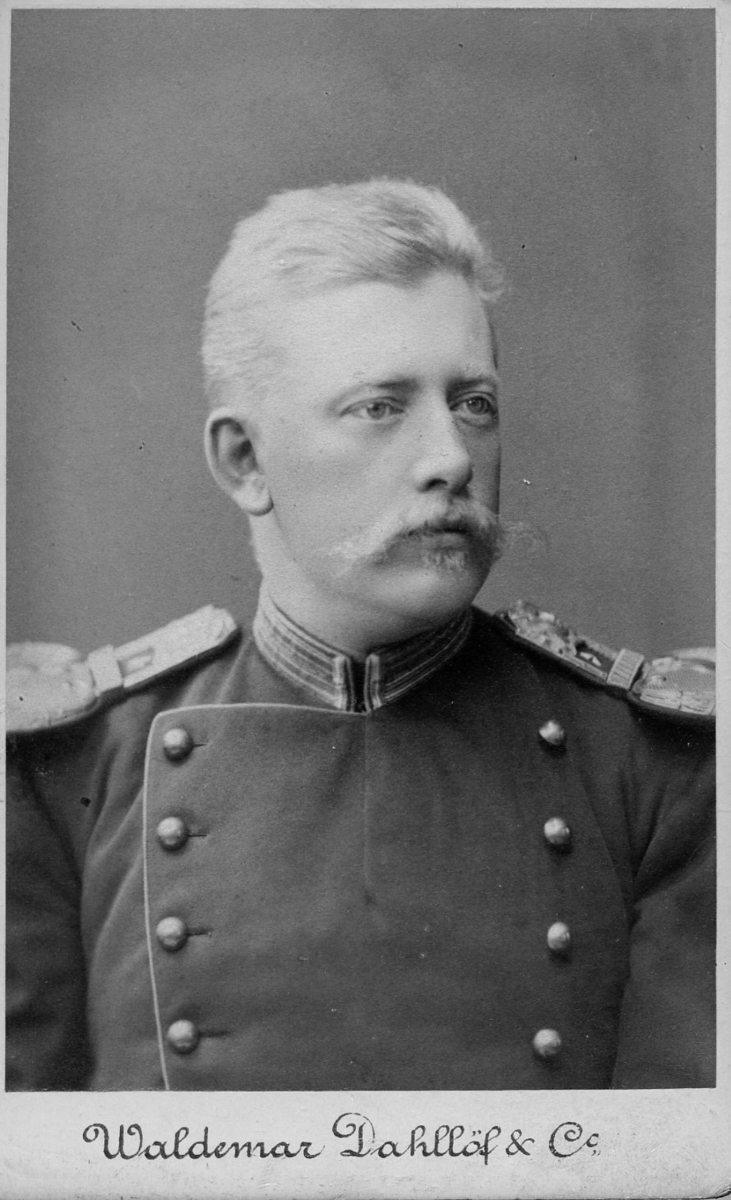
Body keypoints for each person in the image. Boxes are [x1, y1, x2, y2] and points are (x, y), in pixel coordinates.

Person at [5, 179, 715, 1092]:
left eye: (473, 402)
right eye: (380, 406)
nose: (450, 457)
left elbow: (683, 1149)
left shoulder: (655, 766)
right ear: (245, 460)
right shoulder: (70, 769)